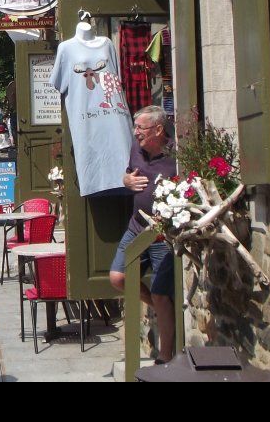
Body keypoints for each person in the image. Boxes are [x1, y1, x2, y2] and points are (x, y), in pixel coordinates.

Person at [109, 105, 178, 364]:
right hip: (136, 227)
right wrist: (126, 181)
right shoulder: (136, 150)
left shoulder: (175, 155)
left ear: (159, 129)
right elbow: (129, 174)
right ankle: (162, 311)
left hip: (160, 234)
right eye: (135, 127)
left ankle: (166, 355)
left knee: (161, 294)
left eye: (141, 128)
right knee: (118, 277)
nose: (136, 133)